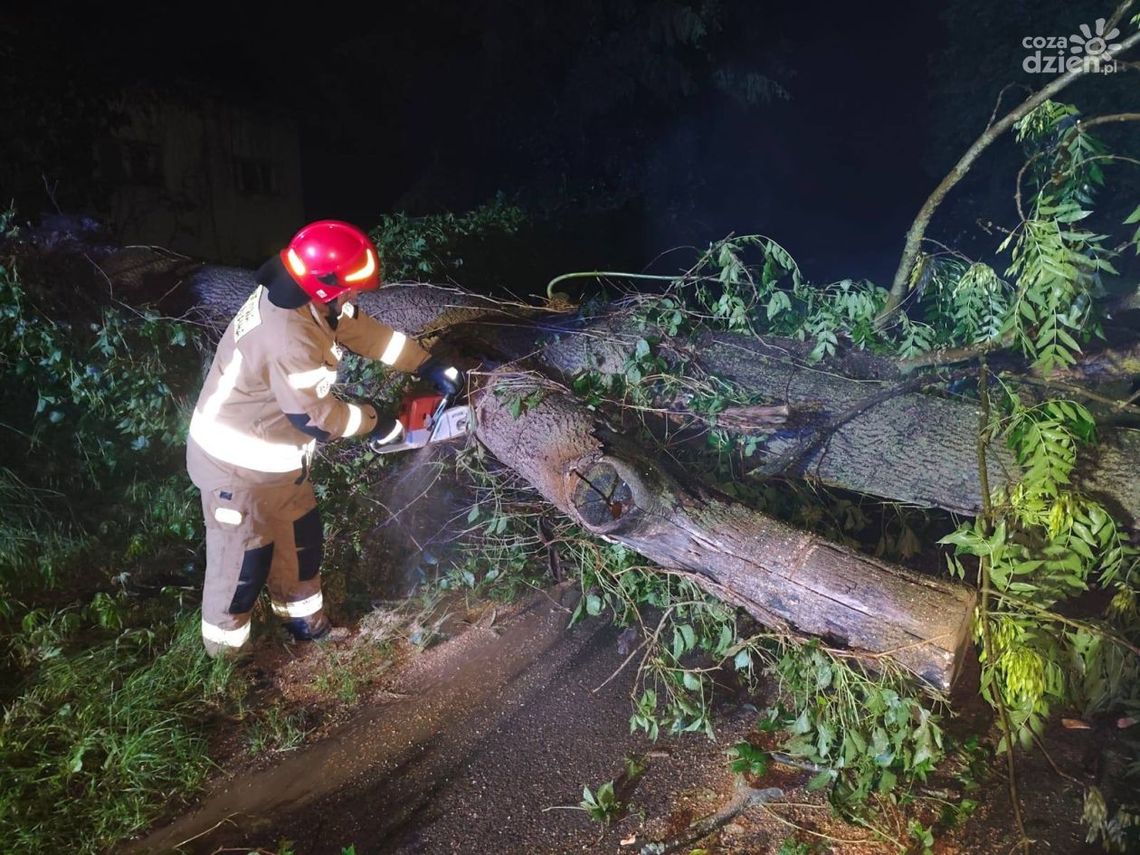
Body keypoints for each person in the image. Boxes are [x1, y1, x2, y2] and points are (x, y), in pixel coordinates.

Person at [186, 220, 462, 657]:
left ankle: (303, 624)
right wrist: (377, 422)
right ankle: (227, 659)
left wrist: (425, 364)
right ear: (323, 285)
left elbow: (364, 332)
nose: (353, 296)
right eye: (348, 289)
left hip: (281, 462)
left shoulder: (312, 301)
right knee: (241, 566)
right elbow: (315, 418)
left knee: (301, 540)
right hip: (234, 470)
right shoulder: (289, 334)